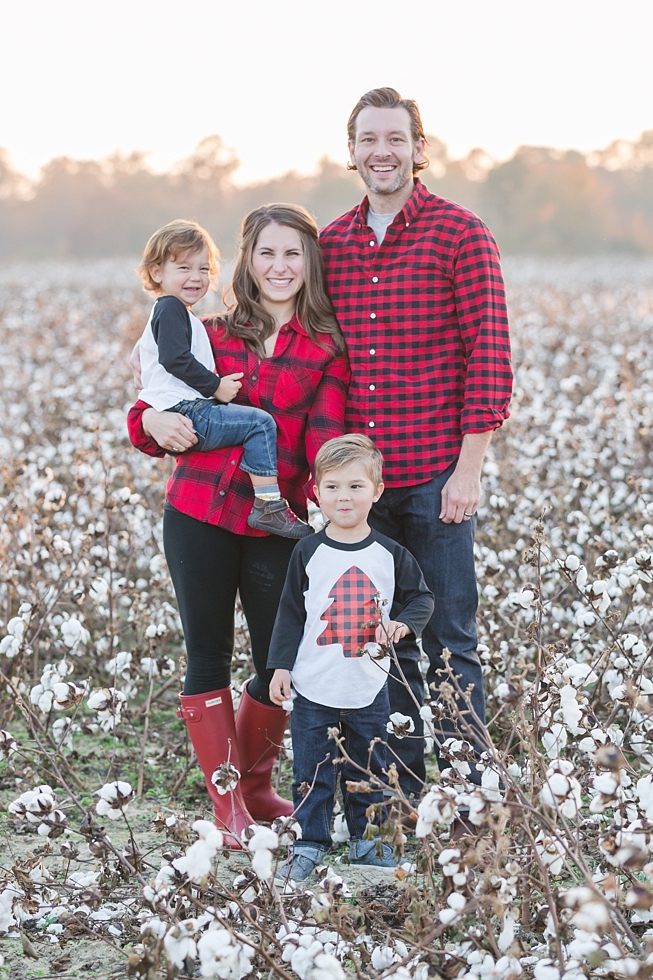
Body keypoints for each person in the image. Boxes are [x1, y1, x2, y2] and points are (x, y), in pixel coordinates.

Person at [127, 204, 350, 847]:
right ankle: (227, 805)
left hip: (273, 523)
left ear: (309, 262)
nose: (279, 267)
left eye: (292, 254)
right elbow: (153, 401)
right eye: (266, 254)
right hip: (197, 511)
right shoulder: (211, 332)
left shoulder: (325, 348)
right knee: (208, 652)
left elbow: (326, 438)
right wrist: (146, 425)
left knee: (280, 656)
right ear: (247, 262)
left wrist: (339, 502)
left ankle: (255, 787)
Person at [319, 88, 513, 809]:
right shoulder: (330, 244)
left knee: (449, 642)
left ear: (418, 149)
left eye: (394, 139)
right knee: (380, 644)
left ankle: (469, 802)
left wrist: (468, 471)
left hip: (436, 476)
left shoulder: (460, 234)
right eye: (368, 139)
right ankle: (396, 799)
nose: (381, 152)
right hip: (359, 492)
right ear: (351, 152)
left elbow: (487, 359)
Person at [268, 435, 434, 880]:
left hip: (369, 683)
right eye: (334, 487)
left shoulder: (390, 554)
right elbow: (289, 613)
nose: (345, 497)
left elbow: (421, 599)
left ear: (377, 491)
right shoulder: (308, 551)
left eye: (356, 486)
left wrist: (401, 626)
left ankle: (368, 840)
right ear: (316, 493)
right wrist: (280, 666)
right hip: (313, 684)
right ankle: (309, 843)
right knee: (313, 769)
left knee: (370, 764)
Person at [136, 218, 312, 539]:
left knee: (256, 424)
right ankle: (270, 506)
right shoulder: (177, 312)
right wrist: (213, 387)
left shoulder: (183, 317)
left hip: (190, 414)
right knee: (259, 424)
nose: (196, 277)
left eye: (204, 270)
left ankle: (268, 505)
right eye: (184, 268)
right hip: (191, 430)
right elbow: (170, 365)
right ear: (157, 272)